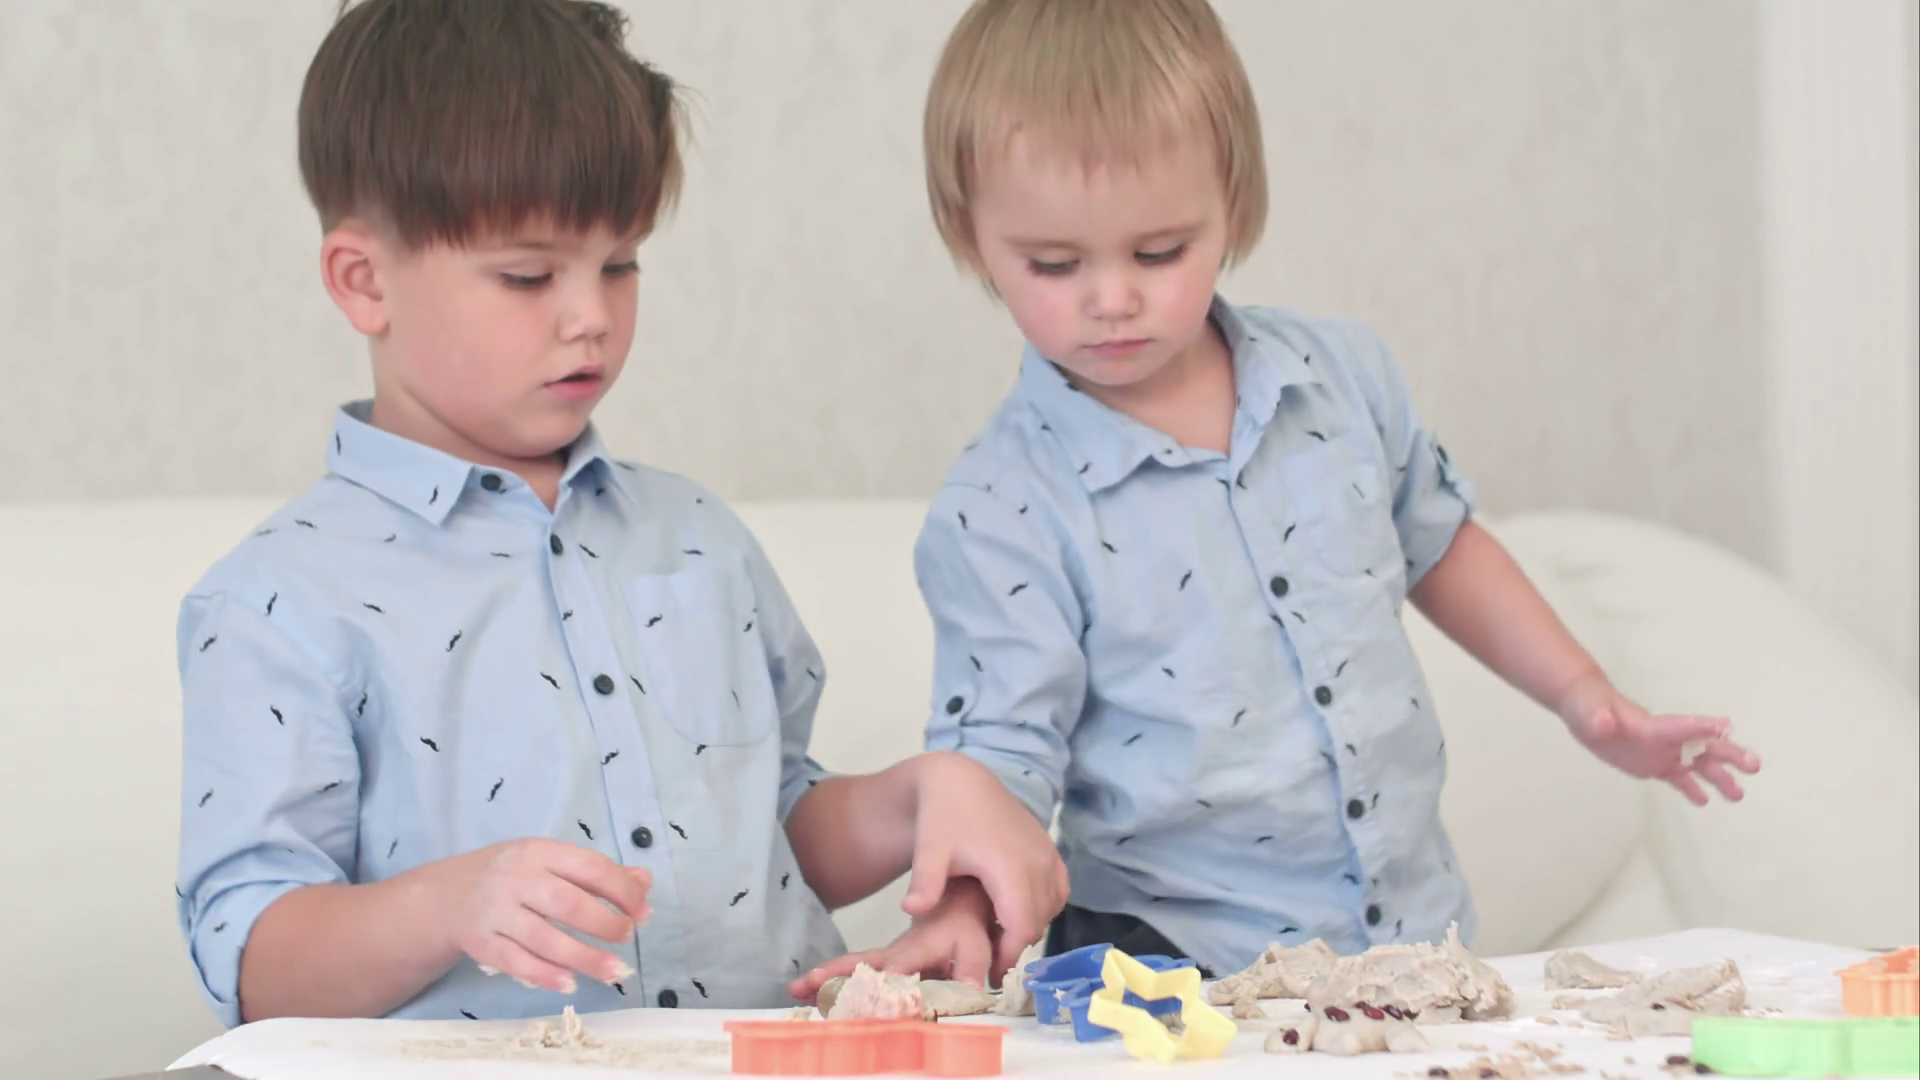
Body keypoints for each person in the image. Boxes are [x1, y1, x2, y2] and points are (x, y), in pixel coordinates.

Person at [174, 0, 1064, 1027]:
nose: (591, 315)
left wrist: (925, 794)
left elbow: (773, 840)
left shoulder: (697, 540)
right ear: (364, 281)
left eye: (620, 264)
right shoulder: (278, 603)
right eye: (528, 275)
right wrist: (445, 906)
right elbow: (253, 961)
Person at [899, 0, 1760, 978]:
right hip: (1173, 969)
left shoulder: (1339, 379)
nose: (1112, 298)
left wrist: (1584, 695)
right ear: (971, 236)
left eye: (1159, 252)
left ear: (1235, 204)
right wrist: (959, 911)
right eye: (1054, 264)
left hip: (1411, 940)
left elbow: (1440, 541)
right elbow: (995, 760)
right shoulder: (1003, 510)